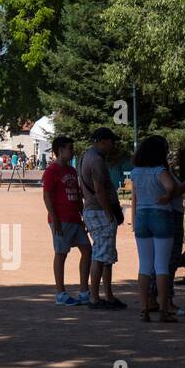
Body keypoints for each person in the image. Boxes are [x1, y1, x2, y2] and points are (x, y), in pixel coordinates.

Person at [130, 135, 185, 322]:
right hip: (161, 215)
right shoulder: (160, 171)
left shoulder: (136, 172)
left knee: (144, 265)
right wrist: (167, 196)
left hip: (142, 218)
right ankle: (164, 309)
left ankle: (144, 309)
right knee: (162, 264)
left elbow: (135, 196)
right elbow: (171, 187)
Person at [78, 127, 126, 310]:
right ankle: (95, 298)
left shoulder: (86, 156)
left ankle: (108, 295)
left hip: (93, 210)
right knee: (100, 254)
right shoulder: (96, 160)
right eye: (111, 141)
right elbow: (99, 189)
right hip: (99, 211)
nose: (113, 145)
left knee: (106, 254)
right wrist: (108, 212)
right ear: (102, 141)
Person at [42, 135, 91, 306]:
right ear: (60, 150)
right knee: (61, 254)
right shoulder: (51, 171)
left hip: (74, 218)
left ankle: (84, 290)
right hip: (61, 219)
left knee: (87, 250)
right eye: (70, 148)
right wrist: (54, 218)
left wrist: (83, 214)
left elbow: (77, 194)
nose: (72, 151)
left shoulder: (71, 171)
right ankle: (60, 293)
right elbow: (47, 195)